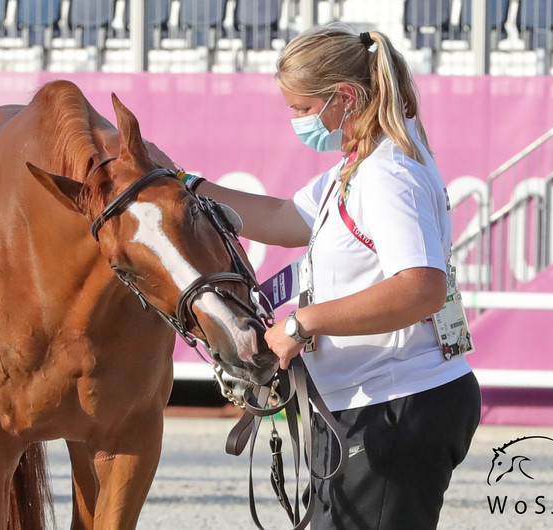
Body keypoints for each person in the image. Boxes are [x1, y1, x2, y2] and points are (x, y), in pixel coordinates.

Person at [179, 24, 481, 529]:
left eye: (301, 108)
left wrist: (303, 324)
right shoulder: (357, 166)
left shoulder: (389, 173)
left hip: (395, 405)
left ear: (344, 97)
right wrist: (185, 186)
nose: (296, 121)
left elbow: (422, 285)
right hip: (367, 404)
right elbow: (280, 217)